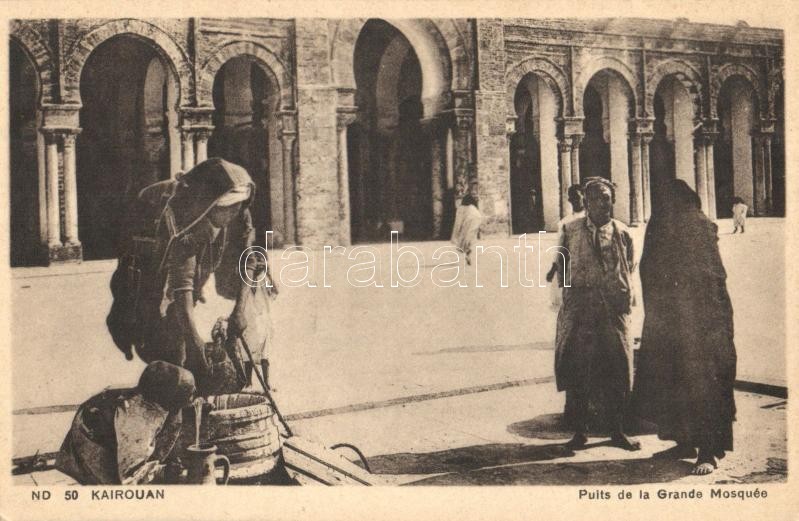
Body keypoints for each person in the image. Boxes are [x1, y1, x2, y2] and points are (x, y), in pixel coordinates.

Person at [108, 158, 276, 388]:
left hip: (197, 254)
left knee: (189, 342)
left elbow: (249, 259)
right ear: (211, 206)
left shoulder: (239, 210)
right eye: (228, 209)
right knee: (155, 323)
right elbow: (182, 285)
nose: (234, 213)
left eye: (238, 207)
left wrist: (239, 309)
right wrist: (194, 340)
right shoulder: (186, 224)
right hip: (149, 253)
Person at [634, 179, 737, 475]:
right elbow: (649, 269)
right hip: (673, 323)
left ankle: (708, 451)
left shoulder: (696, 227)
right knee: (674, 382)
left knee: (704, 383)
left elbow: (711, 278)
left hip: (704, 325)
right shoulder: (670, 224)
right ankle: (683, 443)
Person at [554, 177, 640, 451]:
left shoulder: (623, 232)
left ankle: (617, 431)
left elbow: (630, 265)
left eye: (608, 197)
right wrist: (570, 301)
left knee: (617, 369)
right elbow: (562, 267)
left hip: (613, 310)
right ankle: (580, 433)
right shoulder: (570, 230)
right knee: (579, 370)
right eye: (598, 198)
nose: (605, 203)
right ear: (586, 202)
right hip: (581, 310)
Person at [55, 361, 196, 485]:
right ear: (170, 398)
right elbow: (129, 476)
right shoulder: (137, 419)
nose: (193, 396)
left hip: (101, 427)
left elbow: (169, 430)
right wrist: (162, 471)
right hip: (89, 442)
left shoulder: (155, 396)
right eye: (189, 393)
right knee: (113, 489)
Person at [547, 185, 585, 310]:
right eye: (573, 198)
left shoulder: (590, 219)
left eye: (578, 197)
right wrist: (553, 269)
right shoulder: (565, 222)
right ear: (569, 200)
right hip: (571, 266)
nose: (576, 200)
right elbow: (560, 248)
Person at [450, 193, 483, 266]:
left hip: (467, 225)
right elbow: (479, 217)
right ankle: (468, 253)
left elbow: (458, 222)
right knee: (470, 240)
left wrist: (455, 234)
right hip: (475, 223)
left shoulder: (461, 208)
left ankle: (466, 252)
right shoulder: (473, 207)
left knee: (464, 241)